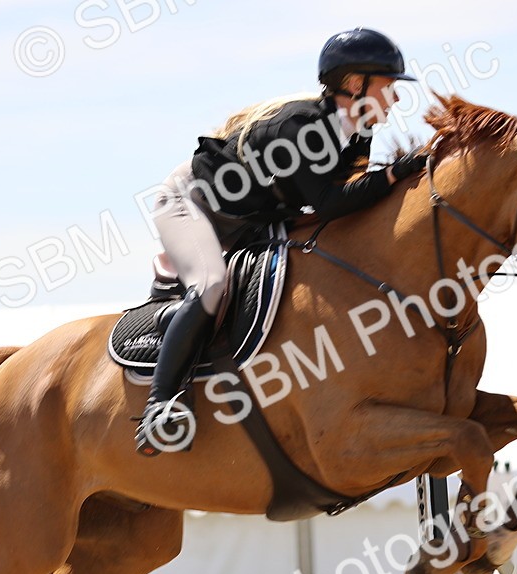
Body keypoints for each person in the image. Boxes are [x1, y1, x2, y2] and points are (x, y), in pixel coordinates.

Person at [135, 27, 428, 456]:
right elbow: (330, 202)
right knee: (213, 283)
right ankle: (158, 407)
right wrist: (394, 174)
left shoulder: (358, 133)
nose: (397, 99)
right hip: (192, 202)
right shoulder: (303, 127)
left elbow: (348, 200)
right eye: (389, 87)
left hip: (254, 214)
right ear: (354, 85)